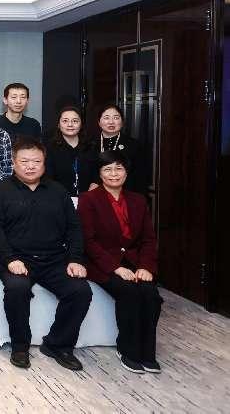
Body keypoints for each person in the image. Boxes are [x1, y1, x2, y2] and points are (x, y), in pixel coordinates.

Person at [0, 138, 92, 371]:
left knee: (80, 290)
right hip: (14, 258)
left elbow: (74, 228)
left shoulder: (58, 191)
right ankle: (20, 346)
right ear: (14, 163)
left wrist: (75, 259)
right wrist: (10, 260)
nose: (30, 166)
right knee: (17, 288)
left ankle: (58, 344)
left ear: (44, 163)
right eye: (24, 161)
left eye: (36, 161)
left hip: (53, 259)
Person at [78, 151, 162, 374]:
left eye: (119, 168)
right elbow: (88, 241)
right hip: (101, 263)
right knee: (129, 291)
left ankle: (147, 352)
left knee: (151, 294)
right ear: (100, 174)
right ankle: (128, 350)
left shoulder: (138, 200)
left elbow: (148, 239)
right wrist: (115, 268)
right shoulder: (88, 200)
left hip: (134, 262)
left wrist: (145, 267)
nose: (113, 174)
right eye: (107, 169)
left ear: (126, 172)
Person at [87, 103, 148, 194]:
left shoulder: (134, 145)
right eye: (106, 118)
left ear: (122, 122)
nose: (111, 122)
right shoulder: (89, 145)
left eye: (116, 118)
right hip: (96, 195)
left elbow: (140, 177)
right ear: (99, 122)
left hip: (125, 195)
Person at [44, 106, 98, 197]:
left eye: (75, 121)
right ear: (58, 124)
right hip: (60, 199)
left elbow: (97, 174)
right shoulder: (50, 148)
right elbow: (48, 179)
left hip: (88, 199)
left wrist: (93, 188)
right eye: (65, 121)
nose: (70, 124)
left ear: (81, 124)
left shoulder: (90, 146)